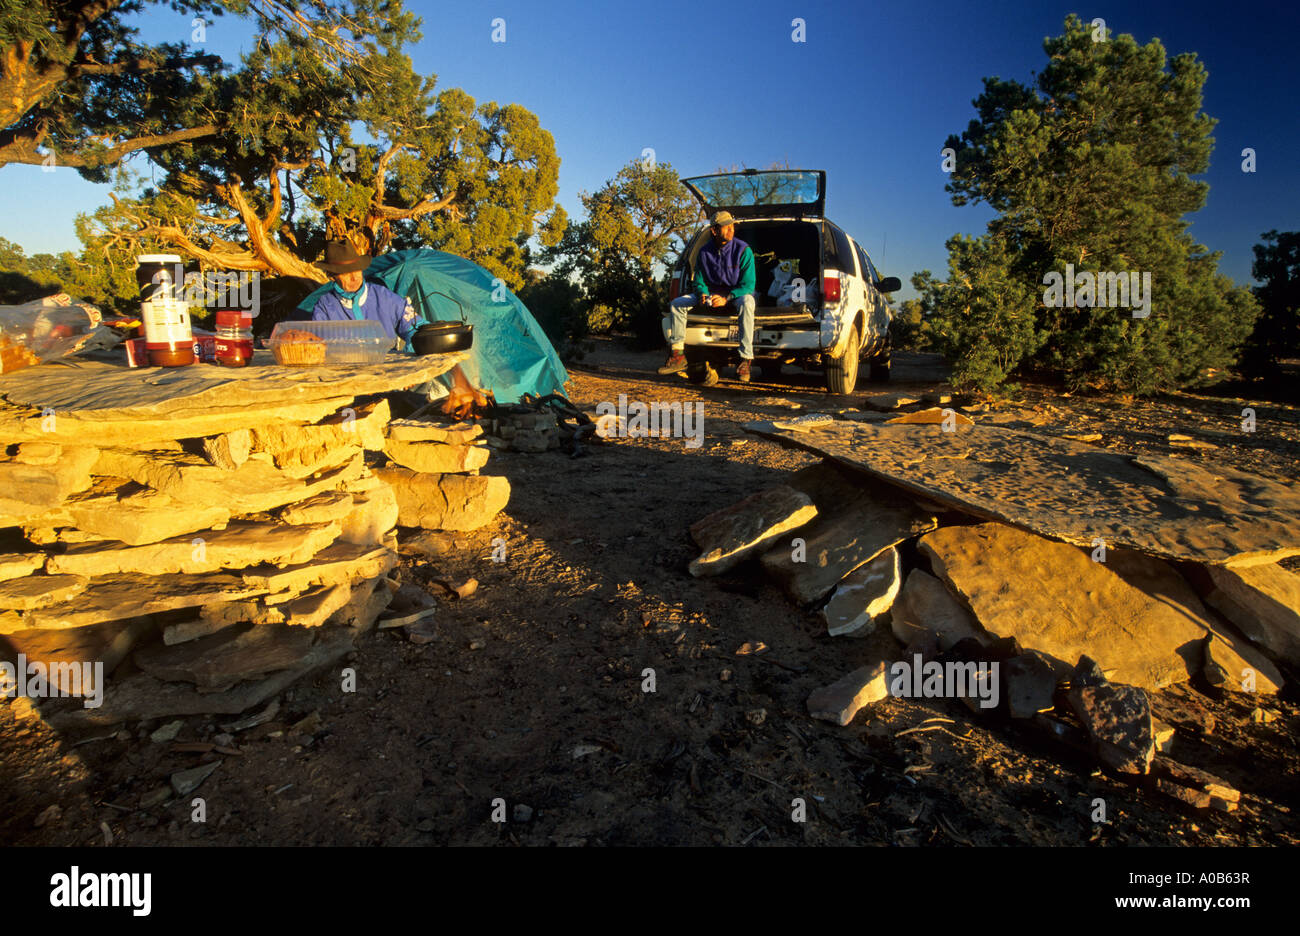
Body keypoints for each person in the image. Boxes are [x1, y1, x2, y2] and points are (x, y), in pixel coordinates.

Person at [659, 210, 757, 382]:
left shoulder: (743, 250)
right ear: (714, 230)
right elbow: (699, 280)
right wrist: (703, 294)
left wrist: (727, 298)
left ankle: (745, 359)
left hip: (736, 294)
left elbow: (748, 285)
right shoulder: (704, 252)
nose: (731, 229)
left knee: (748, 302)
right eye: (726, 226)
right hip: (711, 294)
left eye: (732, 225)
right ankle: (678, 355)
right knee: (676, 304)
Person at [311, 238, 419, 348]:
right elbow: (318, 346)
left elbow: (417, 329)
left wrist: (410, 349)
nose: (354, 278)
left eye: (357, 270)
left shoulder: (383, 296)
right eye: (345, 273)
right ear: (332, 277)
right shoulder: (325, 307)